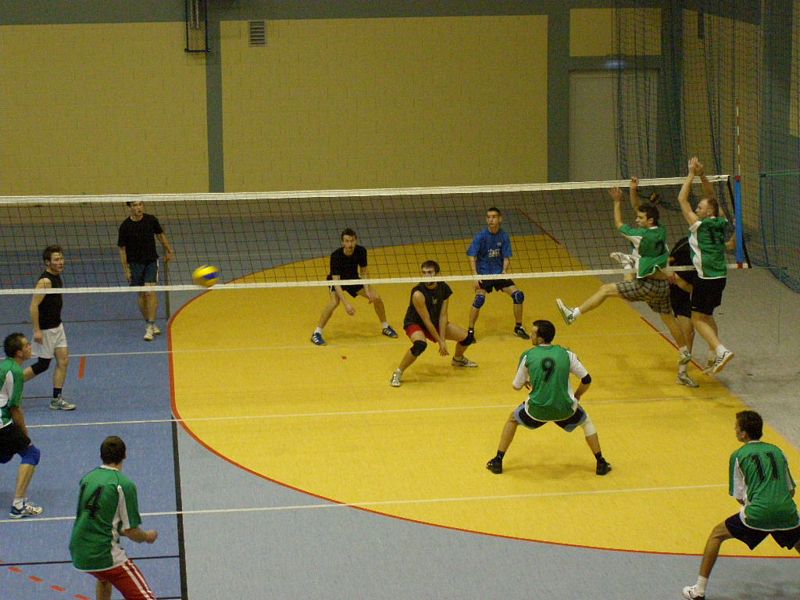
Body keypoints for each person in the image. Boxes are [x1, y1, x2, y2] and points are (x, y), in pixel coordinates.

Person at [555, 188, 691, 367]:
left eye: (640, 218)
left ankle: (573, 314)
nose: (636, 220)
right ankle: (684, 351)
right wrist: (645, 199)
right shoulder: (662, 230)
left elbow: (619, 224)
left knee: (606, 290)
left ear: (650, 220)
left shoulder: (641, 236)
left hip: (647, 285)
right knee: (668, 318)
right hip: (663, 286)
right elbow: (644, 211)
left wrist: (617, 201)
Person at [682, 411, 800, 600]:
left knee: (716, 534)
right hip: (787, 513)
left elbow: (739, 497)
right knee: (797, 540)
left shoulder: (738, 455)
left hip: (757, 514)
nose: (735, 430)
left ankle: (698, 591)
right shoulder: (778, 451)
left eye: (736, 427)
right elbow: (791, 490)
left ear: (744, 433)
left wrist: (759, 504)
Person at [485, 320, 611, 476]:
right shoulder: (567, 354)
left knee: (512, 419)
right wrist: (577, 395)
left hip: (537, 411)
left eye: (533, 333)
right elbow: (587, 380)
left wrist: (526, 379)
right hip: (565, 410)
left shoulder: (528, 355)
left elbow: (516, 386)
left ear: (540, 338)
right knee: (586, 422)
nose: (530, 335)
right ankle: (600, 462)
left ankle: (498, 460)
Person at [70, 436, 158, 600]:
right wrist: (147, 537)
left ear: (101, 455)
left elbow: (96, 519)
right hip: (103, 554)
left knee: (104, 578)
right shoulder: (123, 484)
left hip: (79, 551)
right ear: (125, 455)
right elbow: (131, 531)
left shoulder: (88, 479)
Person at [677, 157, 734, 374]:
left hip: (706, 278)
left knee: (697, 318)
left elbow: (682, 199)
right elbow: (712, 198)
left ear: (708, 212)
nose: (696, 208)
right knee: (707, 315)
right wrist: (702, 175)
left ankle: (720, 350)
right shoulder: (720, 221)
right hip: (720, 277)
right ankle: (713, 356)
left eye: (700, 207)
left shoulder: (698, 225)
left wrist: (691, 173)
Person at [390, 260, 477, 387]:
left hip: (435, 321)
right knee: (420, 345)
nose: (426, 275)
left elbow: (443, 315)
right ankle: (398, 372)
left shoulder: (444, 288)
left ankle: (458, 359)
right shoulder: (418, 293)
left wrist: (443, 339)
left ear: (437, 273)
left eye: (430, 272)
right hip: (416, 323)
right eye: (424, 272)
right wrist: (440, 341)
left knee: (468, 338)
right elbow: (426, 320)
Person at [310, 228, 398, 345]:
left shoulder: (361, 251)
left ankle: (385, 326)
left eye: (352, 241)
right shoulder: (336, 256)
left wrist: (367, 290)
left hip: (353, 279)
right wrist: (346, 304)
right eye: (347, 241)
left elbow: (364, 272)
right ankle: (317, 333)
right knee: (334, 302)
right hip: (337, 281)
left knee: (376, 297)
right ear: (342, 242)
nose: (350, 244)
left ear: (356, 240)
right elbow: (336, 282)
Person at [463, 207, 529, 344]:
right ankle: (470, 331)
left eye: (493, 217)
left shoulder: (504, 236)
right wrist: (475, 275)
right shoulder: (481, 236)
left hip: (498, 274)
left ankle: (518, 327)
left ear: (500, 219)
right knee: (479, 300)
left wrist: (504, 271)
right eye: (488, 217)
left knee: (518, 296)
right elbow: (471, 255)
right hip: (484, 274)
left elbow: (506, 256)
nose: (491, 220)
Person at [25, 245, 76, 410]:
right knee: (43, 365)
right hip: (46, 329)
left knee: (63, 361)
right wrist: (37, 330)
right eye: (56, 259)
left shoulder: (57, 276)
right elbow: (33, 306)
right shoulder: (45, 281)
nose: (61, 262)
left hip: (57, 326)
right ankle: (8, 382)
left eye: (61, 258)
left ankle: (56, 399)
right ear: (48, 262)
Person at [117, 200, 174, 342]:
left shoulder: (151, 220)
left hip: (151, 261)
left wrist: (169, 250)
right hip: (134, 264)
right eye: (135, 205)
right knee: (142, 294)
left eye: (140, 204)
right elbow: (122, 250)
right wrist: (126, 269)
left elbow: (160, 235)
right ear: (130, 208)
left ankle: (150, 325)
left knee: (150, 292)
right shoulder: (125, 226)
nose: (138, 208)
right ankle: (150, 322)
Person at [1, 333, 44, 518]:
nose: (30, 347)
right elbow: (15, 408)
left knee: (3, 456)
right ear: (19, 352)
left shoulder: (4, 366)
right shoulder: (16, 373)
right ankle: (18, 505)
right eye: (27, 345)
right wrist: (25, 433)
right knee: (31, 453)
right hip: (2, 423)